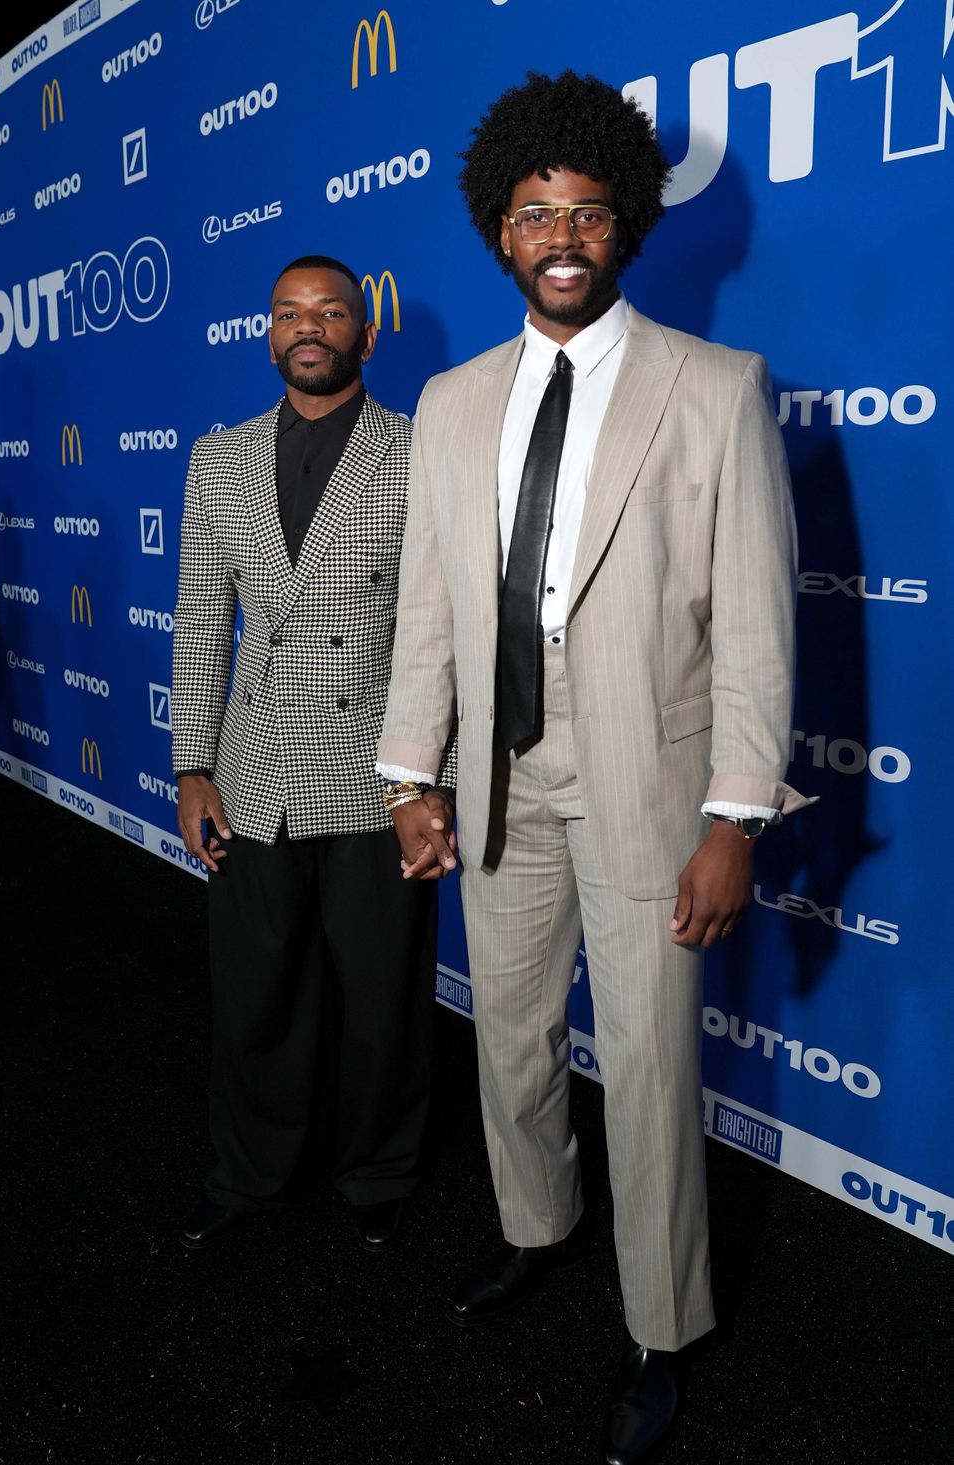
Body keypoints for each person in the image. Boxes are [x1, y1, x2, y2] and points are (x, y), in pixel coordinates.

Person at [377, 73, 811, 1463]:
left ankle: (661, 1325)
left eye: (585, 211)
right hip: (496, 783)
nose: (560, 234)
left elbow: (754, 623)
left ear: (627, 226)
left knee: (647, 1065)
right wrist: (411, 777)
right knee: (507, 1040)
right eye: (531, 213)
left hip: (647, 784)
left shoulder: (716, 388)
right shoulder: (448, 401)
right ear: (497, 231)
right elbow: (432, 605)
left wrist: (736, 816)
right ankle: (532, 1229)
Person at [172, 254, 453, 1255]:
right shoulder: (219, 457)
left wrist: (428, 780)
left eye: (329, 312)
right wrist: (190, 765)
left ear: (363, 334)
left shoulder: (419, 450)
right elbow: (205, 617)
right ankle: (250, 1169)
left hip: (380, 767)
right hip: (253, 766)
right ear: (267, 332)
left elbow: (444, 625)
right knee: (255, 989)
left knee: (382, 996)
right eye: (289, 312)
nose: (309, 327)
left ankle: (377, 1167)